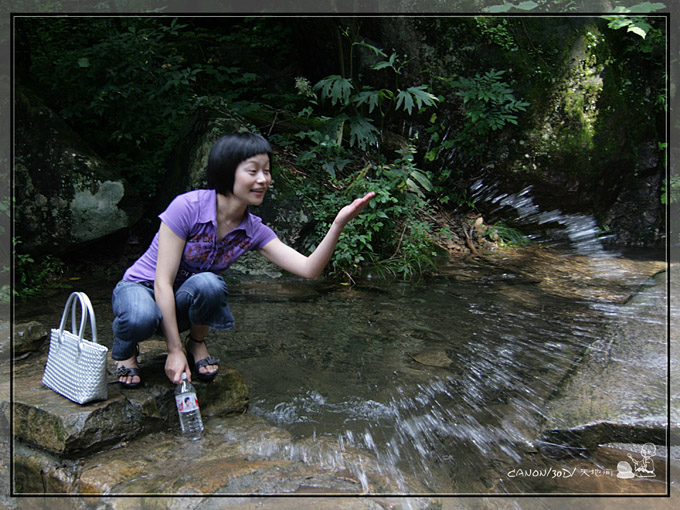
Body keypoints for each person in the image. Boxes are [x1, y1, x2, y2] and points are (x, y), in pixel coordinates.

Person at [112, 132, 374, 388]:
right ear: (226, 172)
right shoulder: (187, 207)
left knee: (210, 284)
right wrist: (173, 350)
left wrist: (338, 224)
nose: (263, 180)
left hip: (183, 297)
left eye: (267, 171)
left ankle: (197, 342)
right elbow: (162, 282)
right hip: (143, 287)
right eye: (253, 171)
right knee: (139, 316)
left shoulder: (253, 230)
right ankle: (126, 351)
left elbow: (309, 270)